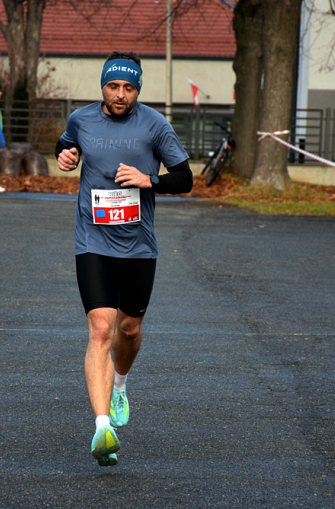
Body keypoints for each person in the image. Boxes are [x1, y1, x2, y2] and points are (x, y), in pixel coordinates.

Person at [55, 51, 194, 466]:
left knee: (128, 330)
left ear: (138, 90)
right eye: (113, 86)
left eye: (129, 88)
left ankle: (120, 385)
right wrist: (66, 157)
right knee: (101, 329)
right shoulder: (82, 119)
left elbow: (185, 178)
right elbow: (66, 146)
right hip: (92, 241)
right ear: (103, 86)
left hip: (138, 246)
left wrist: (148, 179)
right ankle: (102, 428)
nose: (121, 94)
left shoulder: (155, 124)